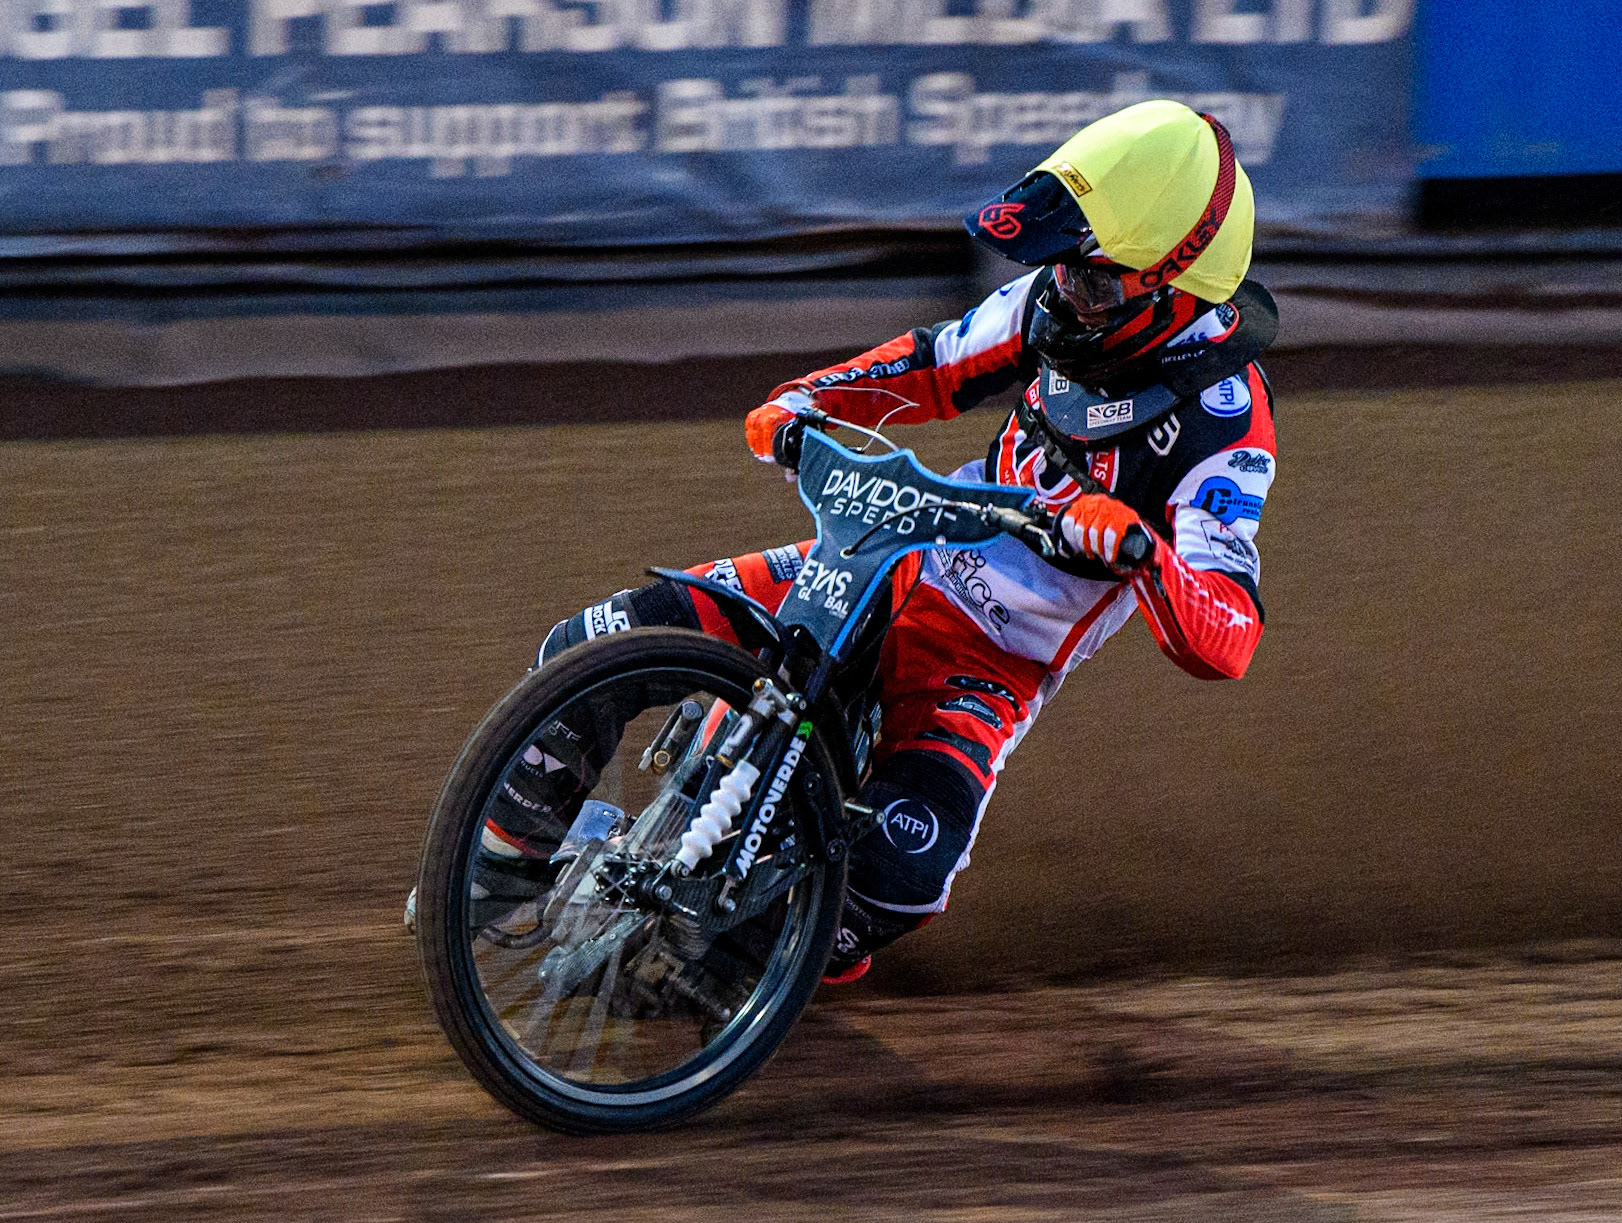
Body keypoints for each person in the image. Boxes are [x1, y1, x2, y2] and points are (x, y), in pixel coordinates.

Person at [496, 100, 1279, 984]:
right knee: (601, 641)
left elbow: (1232, 633)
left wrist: (1142, 550)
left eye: (1093, 282)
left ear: (1173, 291)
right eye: (1062, 270)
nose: (1063, 293)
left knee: (902, 878)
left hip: (990, 661)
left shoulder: (1227, 424)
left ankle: (745, 969)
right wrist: (807, 399)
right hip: (892, 557)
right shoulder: (1058, 304)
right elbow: (937, 363)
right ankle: (494, 876)